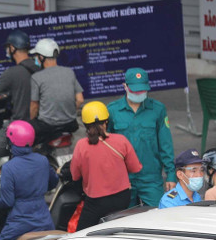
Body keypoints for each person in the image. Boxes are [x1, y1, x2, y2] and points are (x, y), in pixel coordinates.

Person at [0, 120, 58, 240]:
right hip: (44, 220)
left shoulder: (9, 168)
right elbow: (53, 182)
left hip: (19, 222)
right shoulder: (42, 160)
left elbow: (7, 202)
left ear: (11, 142)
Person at [106, 68, 176, 207]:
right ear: (125, 86)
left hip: (151, 177)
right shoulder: (112, 111)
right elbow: (105, 146)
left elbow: (165, 144)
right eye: (135, 90)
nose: (139, 93)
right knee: (124, 219)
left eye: (142, 90)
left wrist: (171, 174)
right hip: (123, 178)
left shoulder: (157, 109)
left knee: (158, 215)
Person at [70, 101, 143, 230]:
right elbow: (135, 168)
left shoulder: (81, 145)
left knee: (81, 233)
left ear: (85, 124)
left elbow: (75, 175)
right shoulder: (121, 140)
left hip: (96, 202)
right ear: (106, 121)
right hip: (123, 198)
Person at [28, 38, 83, 146]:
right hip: (70, 124)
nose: (36, 59)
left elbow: (34, 106)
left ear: (41, 57)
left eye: (36, 56)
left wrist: (30, 121)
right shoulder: (69, 72)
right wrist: (69, 112)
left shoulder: (36, 77)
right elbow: (80, 99)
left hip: (47, 126)